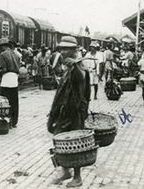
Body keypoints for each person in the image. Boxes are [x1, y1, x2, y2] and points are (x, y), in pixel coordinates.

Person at [47, 36, 90, 188]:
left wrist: (75, 66)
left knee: (75, 144)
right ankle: (65, 170)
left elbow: (81, 80)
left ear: (73, 50)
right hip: (64, 111)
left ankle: (77, 177)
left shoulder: (79, 66)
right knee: (60, 140)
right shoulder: (69, 66)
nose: (63, 51)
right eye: (62, 48)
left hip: (75, 112)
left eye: (66, 49)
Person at [0, 37, 20, 128]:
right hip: (14, 79)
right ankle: (14, 122)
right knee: (14, 101)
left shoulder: (2, 54)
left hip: (6, 79)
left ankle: (7, 120)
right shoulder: (16, 54)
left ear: (3, 46)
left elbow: (4, 69)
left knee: (5, 101)